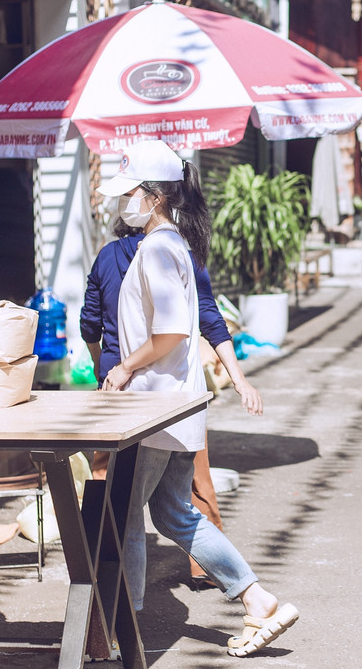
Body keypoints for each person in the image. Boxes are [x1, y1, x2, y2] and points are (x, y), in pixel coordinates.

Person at [97, 140, 297, 656]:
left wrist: (122, 367)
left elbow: (169, 335)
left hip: (153, 409)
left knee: (121, 514)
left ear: (155, 196)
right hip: (177, 408)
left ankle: (122, 629)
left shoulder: (158, 249)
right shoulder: (173, 246)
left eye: (131, 192)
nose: (125, 203)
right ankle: (257, 599)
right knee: (173, 513)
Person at [81, 219, 262, 591]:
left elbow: (90, 325)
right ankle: (242, 589)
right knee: (186, 499)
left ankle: (118, 621)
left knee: (118, 507)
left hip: (133, 398)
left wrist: (112, 369)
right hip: (181, 394)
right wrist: (238, 377)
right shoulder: (183, 253)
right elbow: (209, 319)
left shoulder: (130, 255)